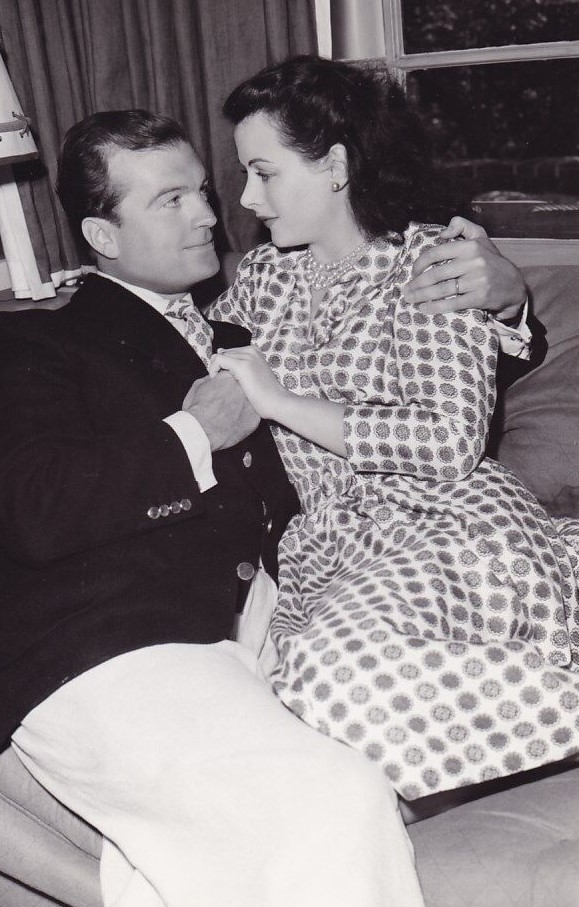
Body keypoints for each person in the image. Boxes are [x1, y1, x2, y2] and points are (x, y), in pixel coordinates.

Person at [0, 108, 526, 907]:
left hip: (264, 624)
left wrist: (508, 301)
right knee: (332, 797)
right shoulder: (28, 342)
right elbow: (33, 512)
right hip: (108, 640)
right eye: (170, 201)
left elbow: (408, 365)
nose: (208, 214)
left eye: (201, 190)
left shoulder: (243, 318)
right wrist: (193, 433)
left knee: (195, 869)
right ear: (100, 234)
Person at [208, 56, 579, 806]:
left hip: (449, 531)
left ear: (336, 165)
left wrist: (279, 400)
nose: (245, 198)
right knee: (267, 715)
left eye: (264, 172)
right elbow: (203, 349)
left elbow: (447, 442)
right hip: (330, 547)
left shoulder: (433, 259)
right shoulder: (261, 276)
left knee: (328, 679)